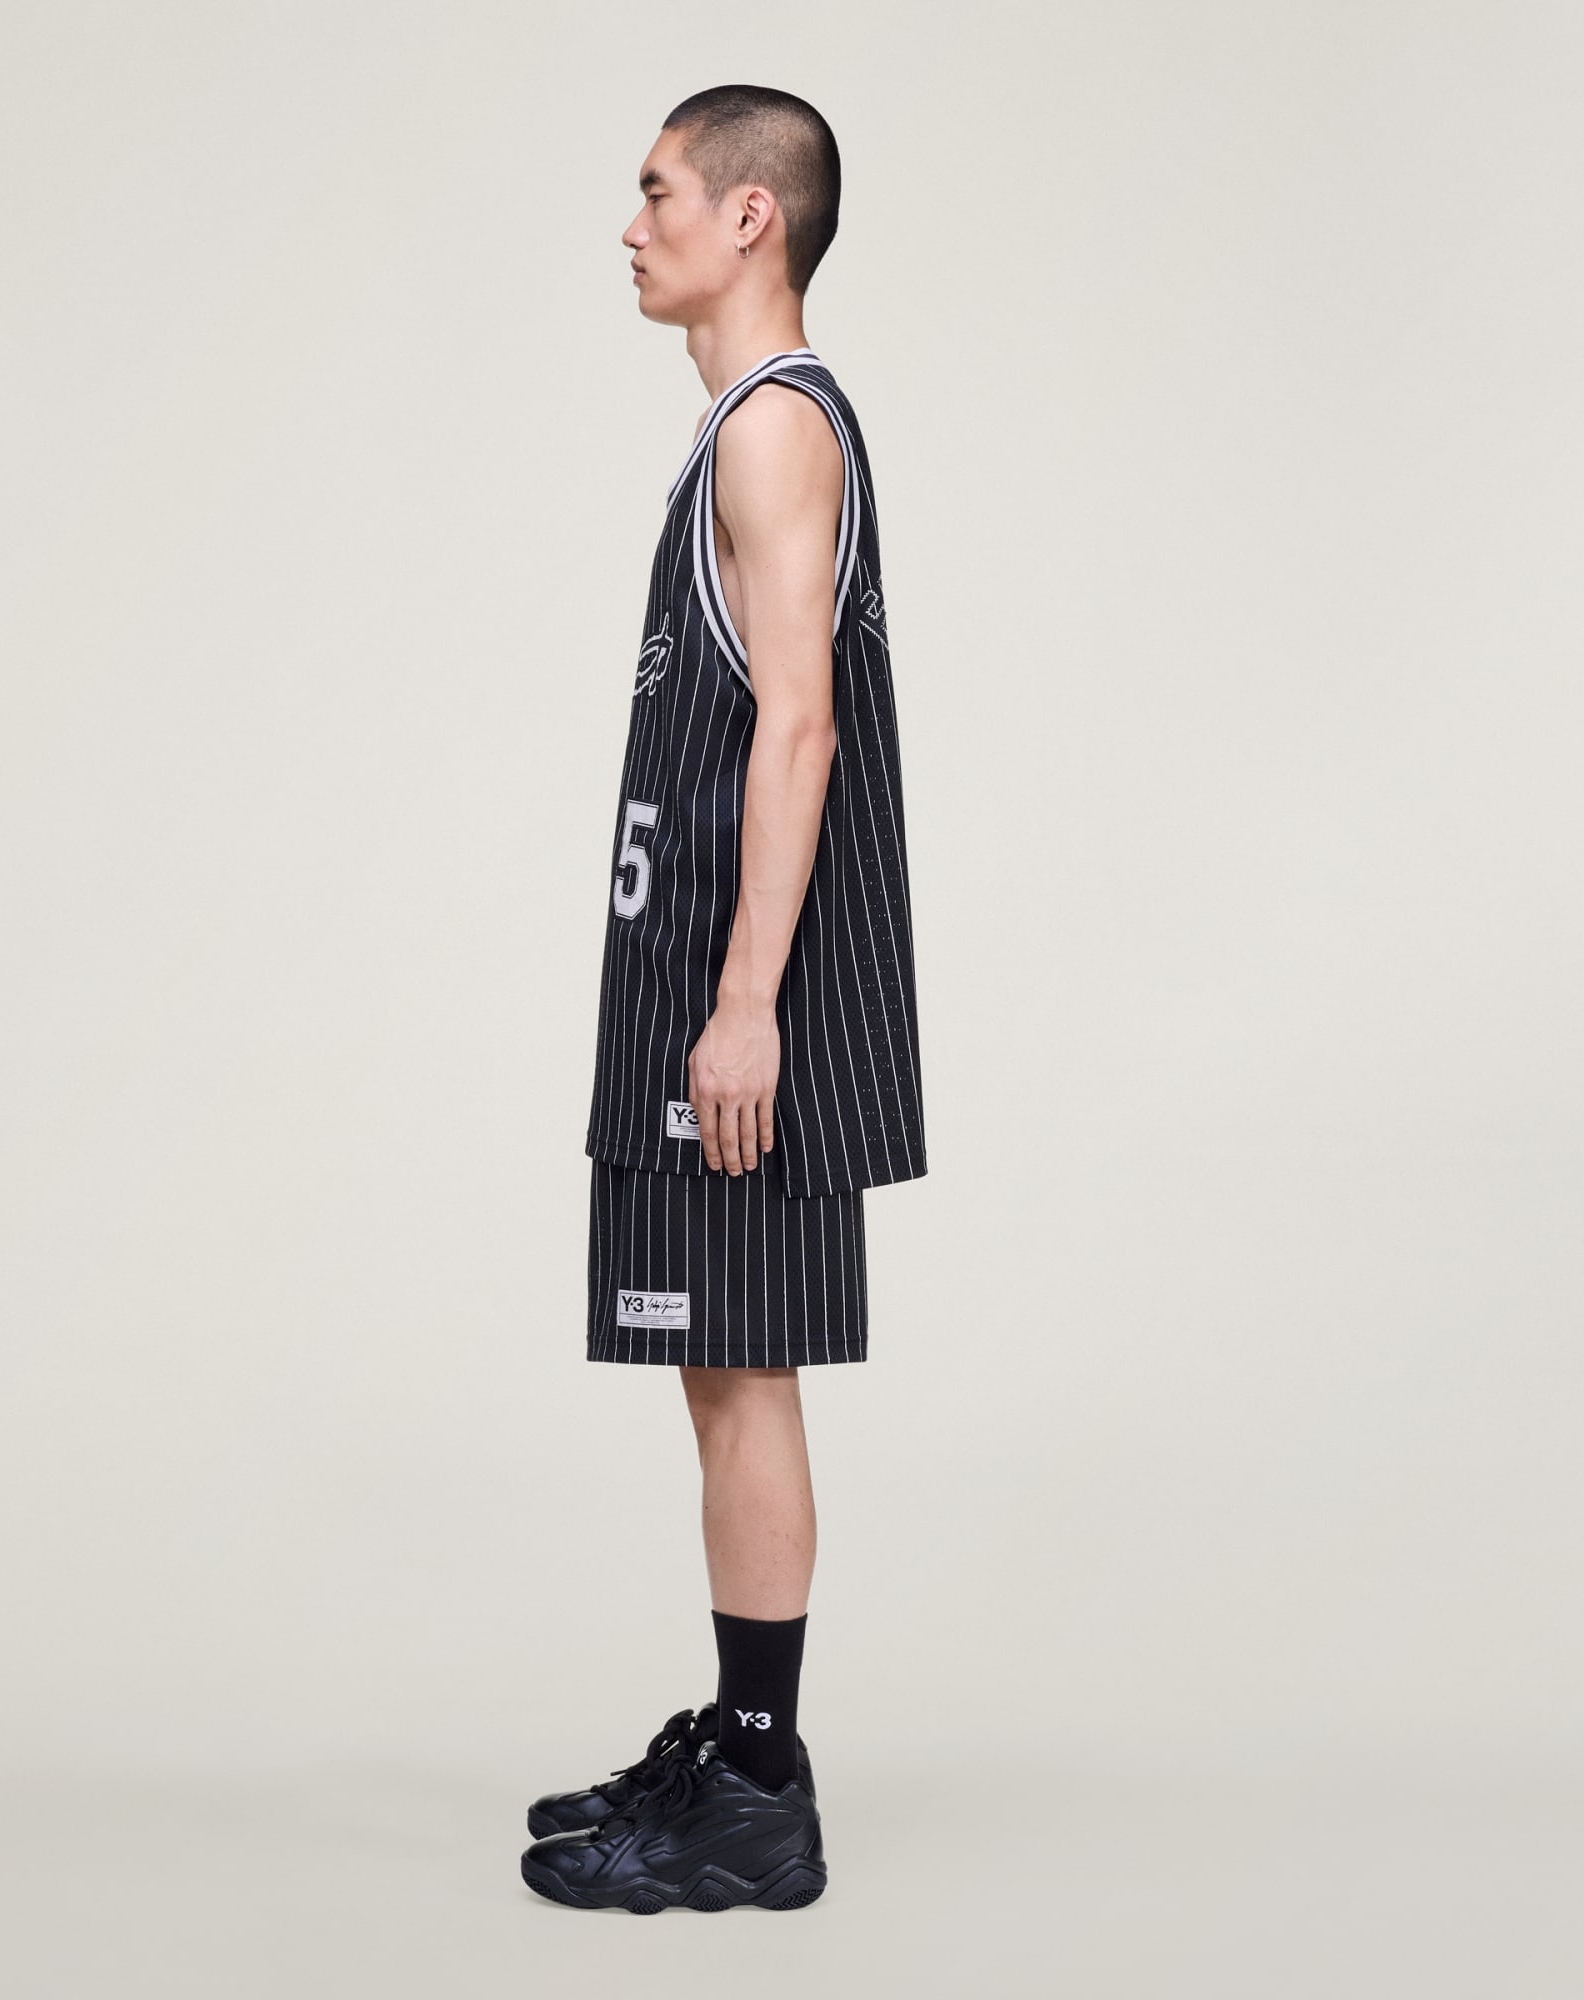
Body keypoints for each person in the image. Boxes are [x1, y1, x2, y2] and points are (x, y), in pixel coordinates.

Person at [520, 84, 927, 1915]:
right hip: (688, 973)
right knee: (715, 1363)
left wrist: (748, 995)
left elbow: (802, 725)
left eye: (660, 190)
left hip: (735, 992)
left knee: (746, 1371)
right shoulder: (741, 431)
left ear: (752, 215)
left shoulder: (776, 428)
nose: (633, 226)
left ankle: (762, 1790)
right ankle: (741, 1743)